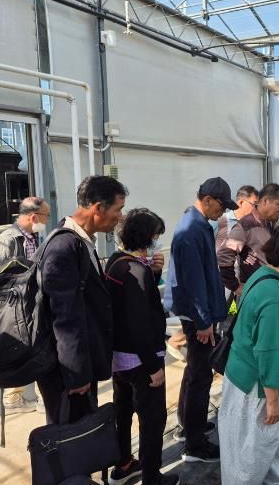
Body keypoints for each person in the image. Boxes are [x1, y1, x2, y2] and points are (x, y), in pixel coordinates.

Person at [219, 225, 279, 485]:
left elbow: (255, 330)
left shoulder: (261, 276)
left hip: (240, 375)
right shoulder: (274, 298)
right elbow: (267, 351)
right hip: (257, 388)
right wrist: (272, 400)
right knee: (252, 457)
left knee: (271, 451)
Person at [37, 176, 127, 424]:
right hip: (67, 374)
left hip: (79, 365)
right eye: (118, 209)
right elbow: (64, 317)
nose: (120, 217)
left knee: (84, 430)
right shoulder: (63, 247)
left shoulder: (80, 241)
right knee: (72, 436)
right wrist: (76, 374)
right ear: (98, 208)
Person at [105, 208, 177, 485]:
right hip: (141, 360)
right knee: (153, 419)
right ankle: (151, 476)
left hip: (119, 358)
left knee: (123, 412)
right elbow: (140, 322)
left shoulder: (116, 263)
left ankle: (123, 463)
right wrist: (153, 367)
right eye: (156, 235)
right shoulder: (136, 270)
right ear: (146, 236)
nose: (157, 241)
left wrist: (154, 273)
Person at [170, 177, 237, 463]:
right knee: (200, 377)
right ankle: (195, 445)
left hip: (199, 314)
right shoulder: (192, 230)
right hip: (199, 317)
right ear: (207, 199)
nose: (223, 212)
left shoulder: (197, 225)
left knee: (194, 371)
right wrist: (203, 322)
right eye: (222, 205)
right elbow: (194, 281)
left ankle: (188, 426)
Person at [0, 197, 50, 413]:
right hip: (16, 309)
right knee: (17, 353)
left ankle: (42, 399)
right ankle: (13, 400)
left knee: (37, 351)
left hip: (32, 304)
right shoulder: (7, 240)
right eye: (46, 216)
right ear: (33, 217)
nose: (47, 220)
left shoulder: (32, 237)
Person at [217, 183, 279, 298]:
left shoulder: (269, 223)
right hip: (255, 291)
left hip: (269, 288)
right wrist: (235, 286)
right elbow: (224, 253)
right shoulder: (246, 225)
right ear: (265, 201)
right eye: (278, 204)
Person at [214, 185, 259, 252]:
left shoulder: (255, 225)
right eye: (254, 205)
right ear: (241, 203)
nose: (256, 209)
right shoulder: (220, 220)